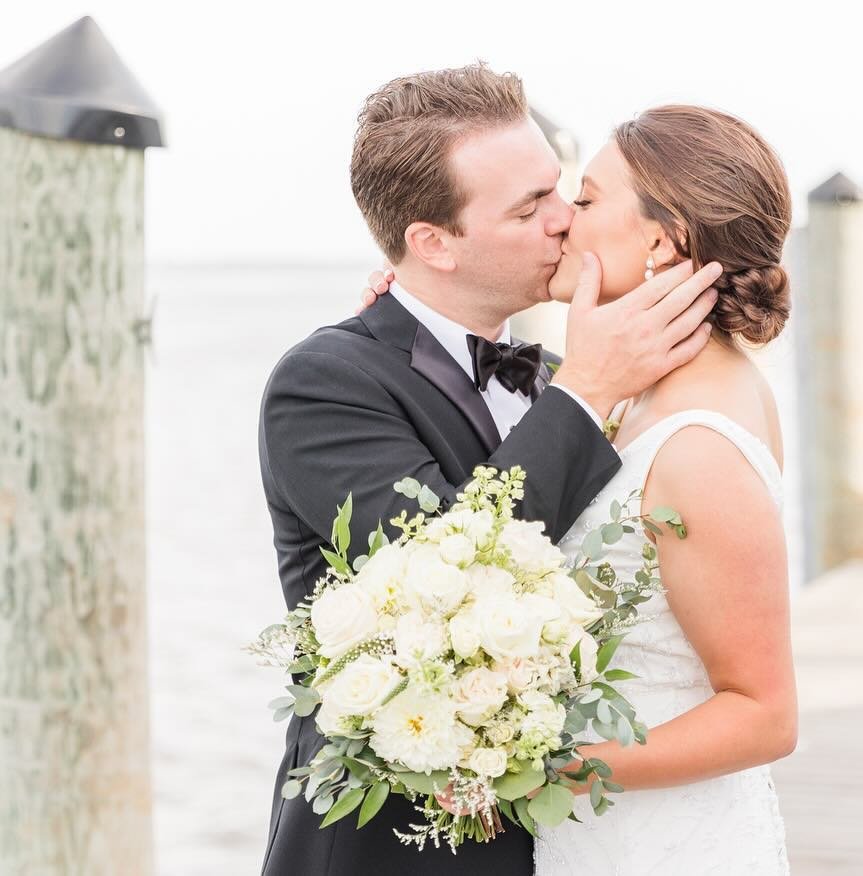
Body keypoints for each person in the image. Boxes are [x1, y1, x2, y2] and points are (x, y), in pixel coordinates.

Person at [258, 65, 719, 876]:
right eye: (528, 207)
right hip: (389, 848)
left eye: (562, 191)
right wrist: (591, 388)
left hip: (565, 835)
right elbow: (442, 579)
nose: (564, 221)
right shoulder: (324, 383)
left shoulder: (551, 376)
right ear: (432, 242)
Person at [361, 103, 798, 874]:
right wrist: (410, 338)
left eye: (586, 199)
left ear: (661, 241)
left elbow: (764, 716)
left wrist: (541, 769)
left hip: (660, 841)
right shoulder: (630, 393)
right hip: (598, 832)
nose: (563, 219)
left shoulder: (698, 441)